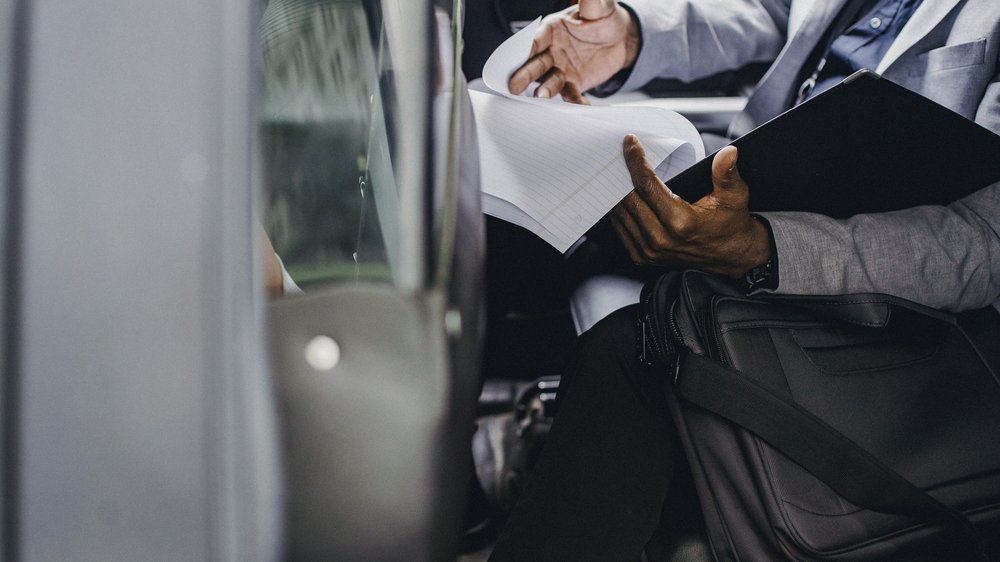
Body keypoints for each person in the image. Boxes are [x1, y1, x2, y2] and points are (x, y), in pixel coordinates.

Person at [486, 0, 1000, 560]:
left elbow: (984, 246)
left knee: (628, 353)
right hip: (759, 188)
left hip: (891, 300)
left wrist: (762, 247)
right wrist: (632, 37)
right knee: (525, 219)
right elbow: (777, 12)